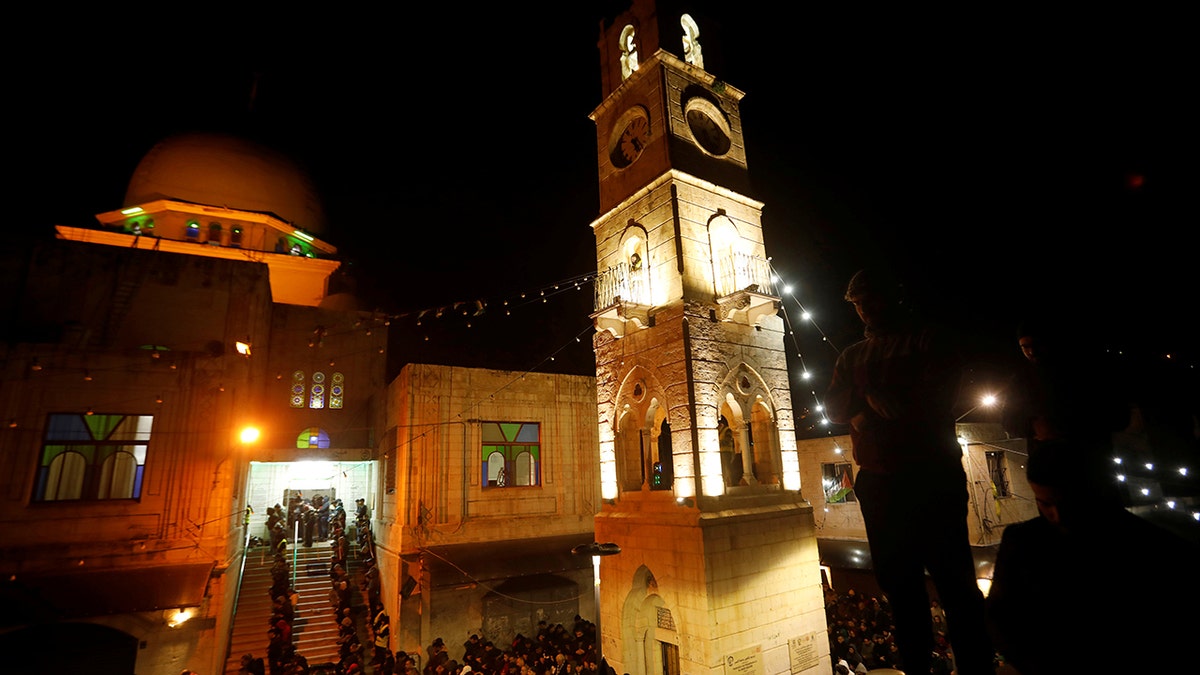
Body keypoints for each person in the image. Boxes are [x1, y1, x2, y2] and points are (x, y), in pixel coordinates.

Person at [824, 267, 995, 675]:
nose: (865, 310)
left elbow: (934, 401)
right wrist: (869, 403)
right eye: (859, 303)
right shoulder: (851, 356)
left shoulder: (926, 340)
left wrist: (867, 411)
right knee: (899, 587)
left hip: (928, 473)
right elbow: (833, 407)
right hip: (880, 480)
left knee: (953, 584)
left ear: (892, 298)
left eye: (871, 300)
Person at [986, 439, 1200, 674]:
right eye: (1045, 503)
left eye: (1067, 503)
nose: (1057, 515)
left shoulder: (1149, 545)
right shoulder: (1022, 541)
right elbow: (999, 616)